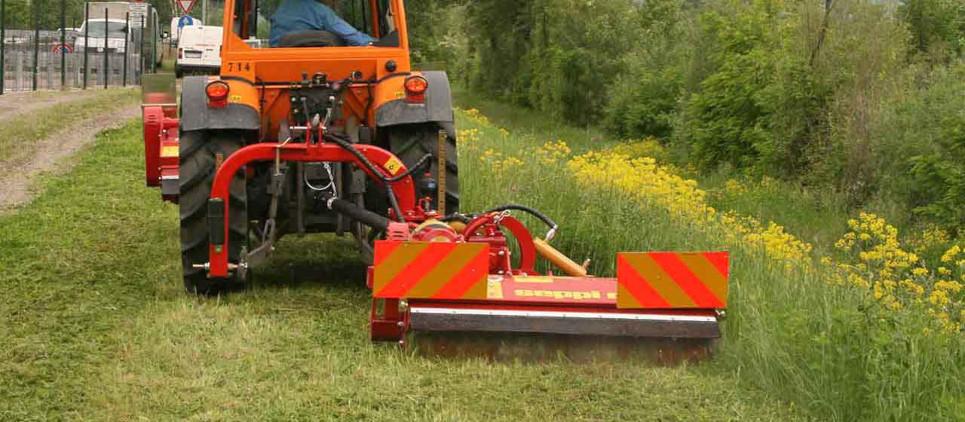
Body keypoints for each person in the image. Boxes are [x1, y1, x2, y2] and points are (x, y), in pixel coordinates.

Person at [269, 0, 375, 47]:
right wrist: (373, 42)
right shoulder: (320, 10)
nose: (334, 3)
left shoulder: (282, 9)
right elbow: (350, 34)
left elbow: (273, 42)